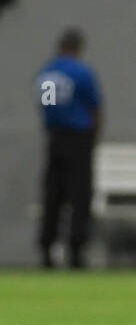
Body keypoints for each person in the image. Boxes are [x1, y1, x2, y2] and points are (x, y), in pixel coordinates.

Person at [34, 27, 101, 268]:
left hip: (55, 138)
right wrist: (93, 137)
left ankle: (47, 249)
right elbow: (95, 108)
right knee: (79, 196)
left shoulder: (46, 73)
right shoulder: (82, 73)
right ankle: (76, 250)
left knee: (53, 196)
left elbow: (47, 107)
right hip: (78, 139)